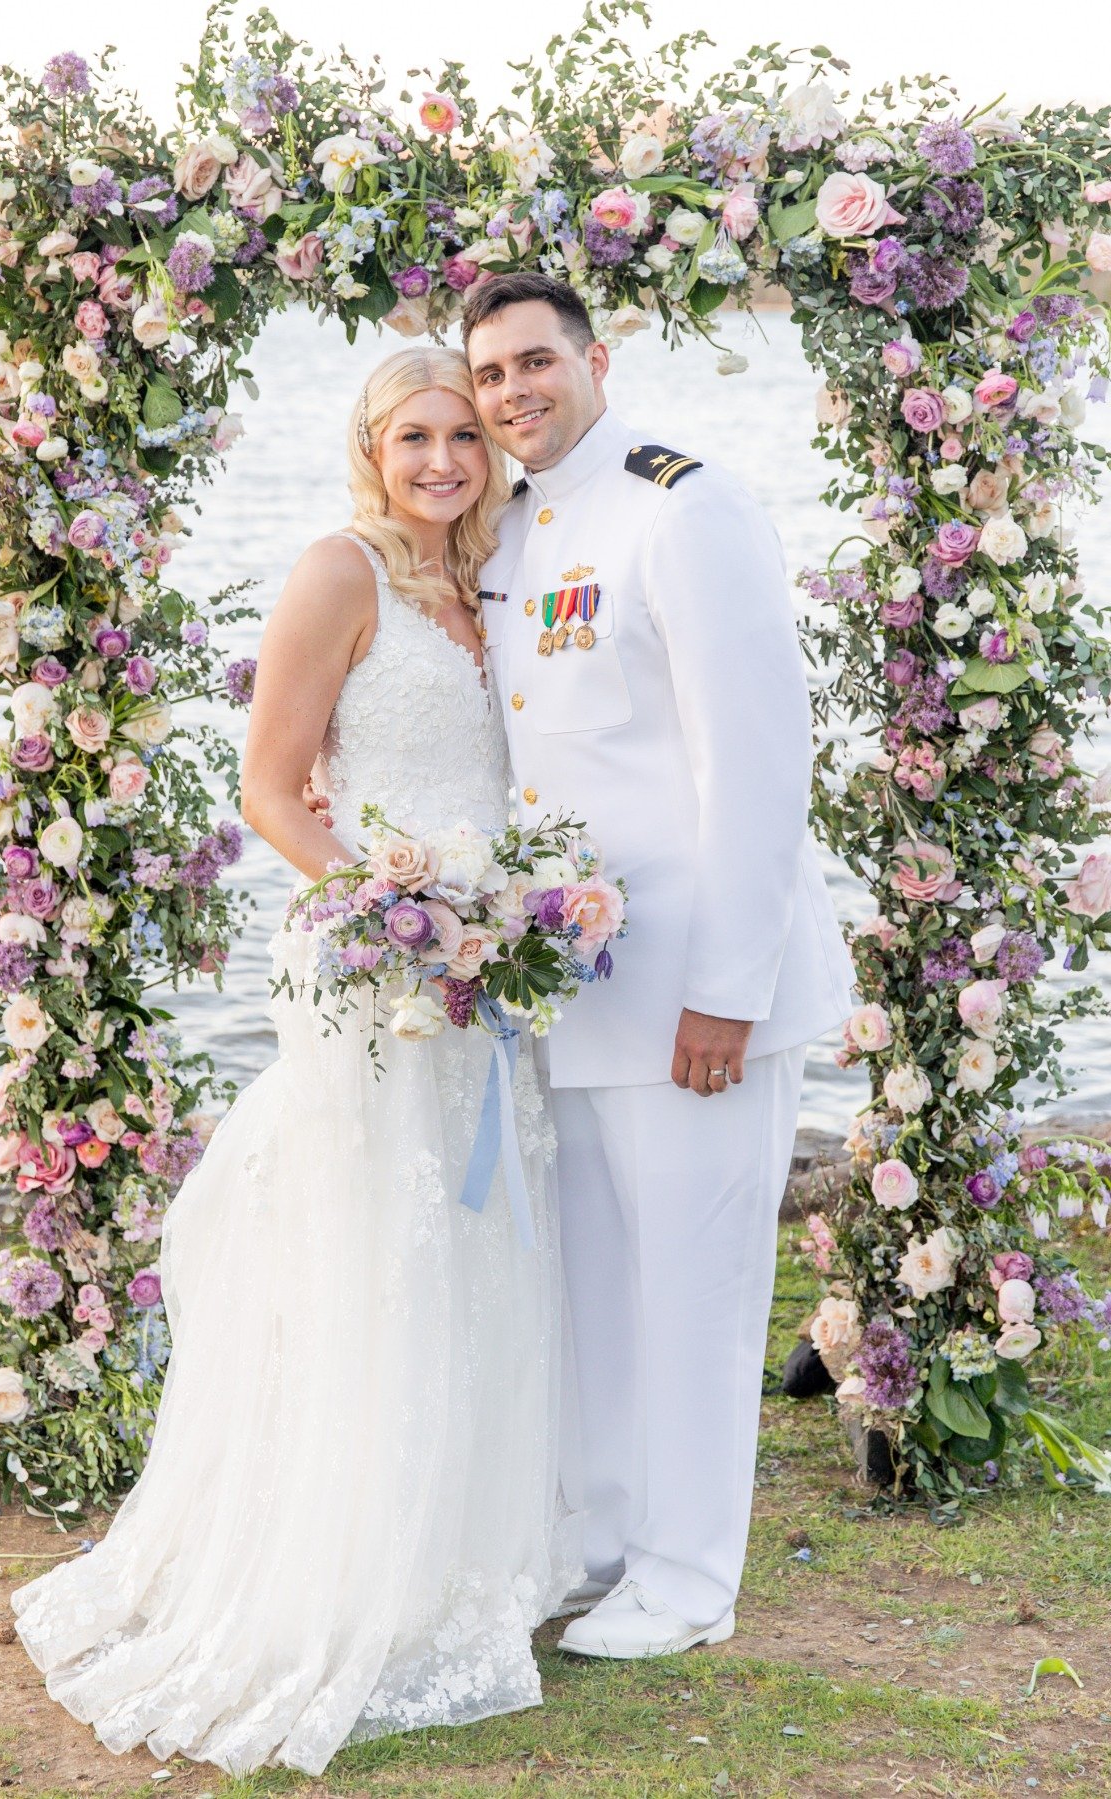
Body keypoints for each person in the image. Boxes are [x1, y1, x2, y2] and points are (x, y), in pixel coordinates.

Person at [10, 346, 581, 1776]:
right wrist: (401, 917)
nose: (444, 460)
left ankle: (458, 1559)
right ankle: (341, 1576)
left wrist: (494, 928)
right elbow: (270, 789)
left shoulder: (494, 580)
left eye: (465, 435)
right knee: (374, 1254)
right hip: (373, 965)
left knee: (474, 1251)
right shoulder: (344, 573)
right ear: (370, 448)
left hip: (477, 968)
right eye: (414, 438)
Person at [458, 271, 856, 1658]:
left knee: (694, 1290)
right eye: (489, 373)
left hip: (696, 990)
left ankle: (690, 1582)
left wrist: (729, 992)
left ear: (596, 358)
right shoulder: (508, 529)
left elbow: (754, 765)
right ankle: (612, 1541)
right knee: (602, 1292)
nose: (511, 392)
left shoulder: (685, 508)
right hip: (575, 995)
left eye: (532, 363)